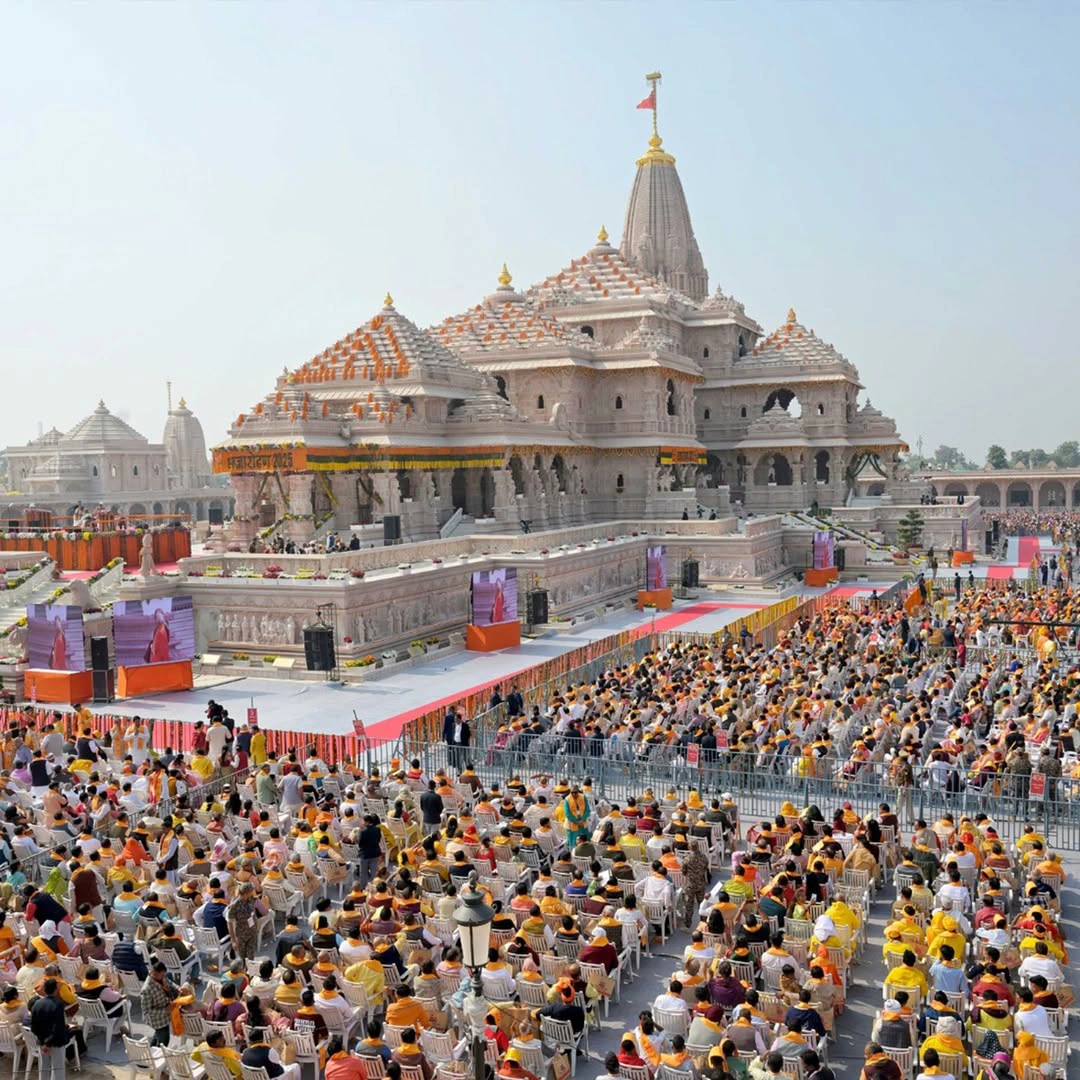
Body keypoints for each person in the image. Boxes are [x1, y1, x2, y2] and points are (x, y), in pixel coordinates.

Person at [30, 978, 72, 1079]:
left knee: (44, 1068)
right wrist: (48, 1043)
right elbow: (57, 1027)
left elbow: (33, 1026)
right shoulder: (57, 1005)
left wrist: (43, 1042)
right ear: (56, 989)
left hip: (42, 1042)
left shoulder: (36, 1004)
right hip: (56, 1043)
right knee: (58, 1070)